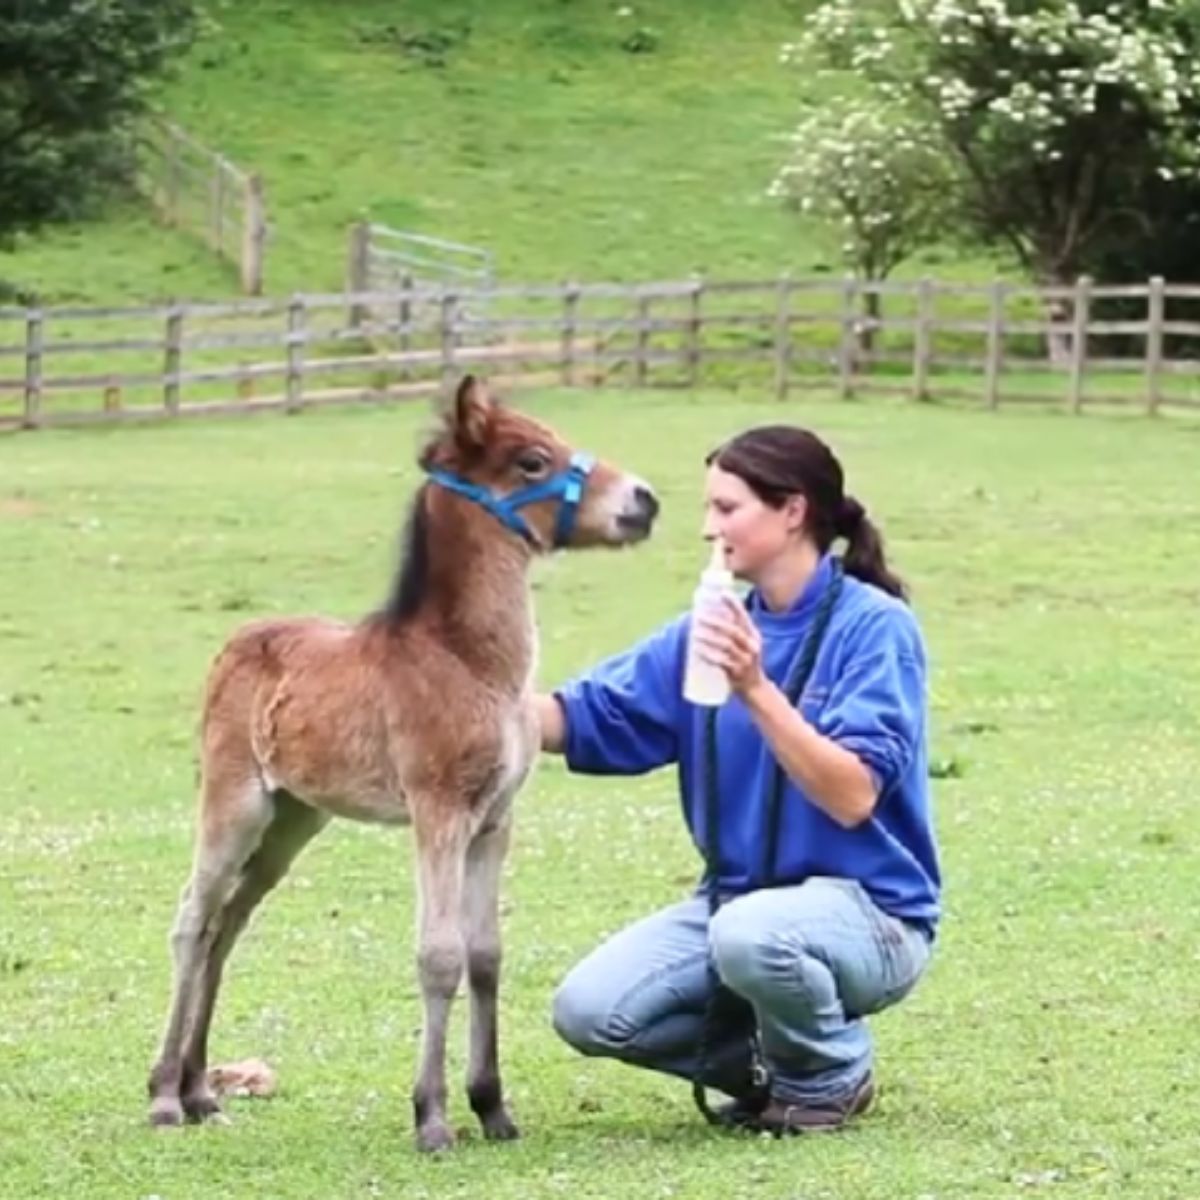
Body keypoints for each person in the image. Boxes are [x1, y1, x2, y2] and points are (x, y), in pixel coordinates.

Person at [534, 424, 941, 1135]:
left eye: (727, 509)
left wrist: (754, 687)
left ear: (792, 511)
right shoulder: (706, 630)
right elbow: (579, 716)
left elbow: (852, 795)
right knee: (589, 1009)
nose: (707, 529)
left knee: (752, 934)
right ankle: (774, 1070)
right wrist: (460, 693)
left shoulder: (875, 629)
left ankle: (832, 1074)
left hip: (873, 918)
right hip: (736, 908)